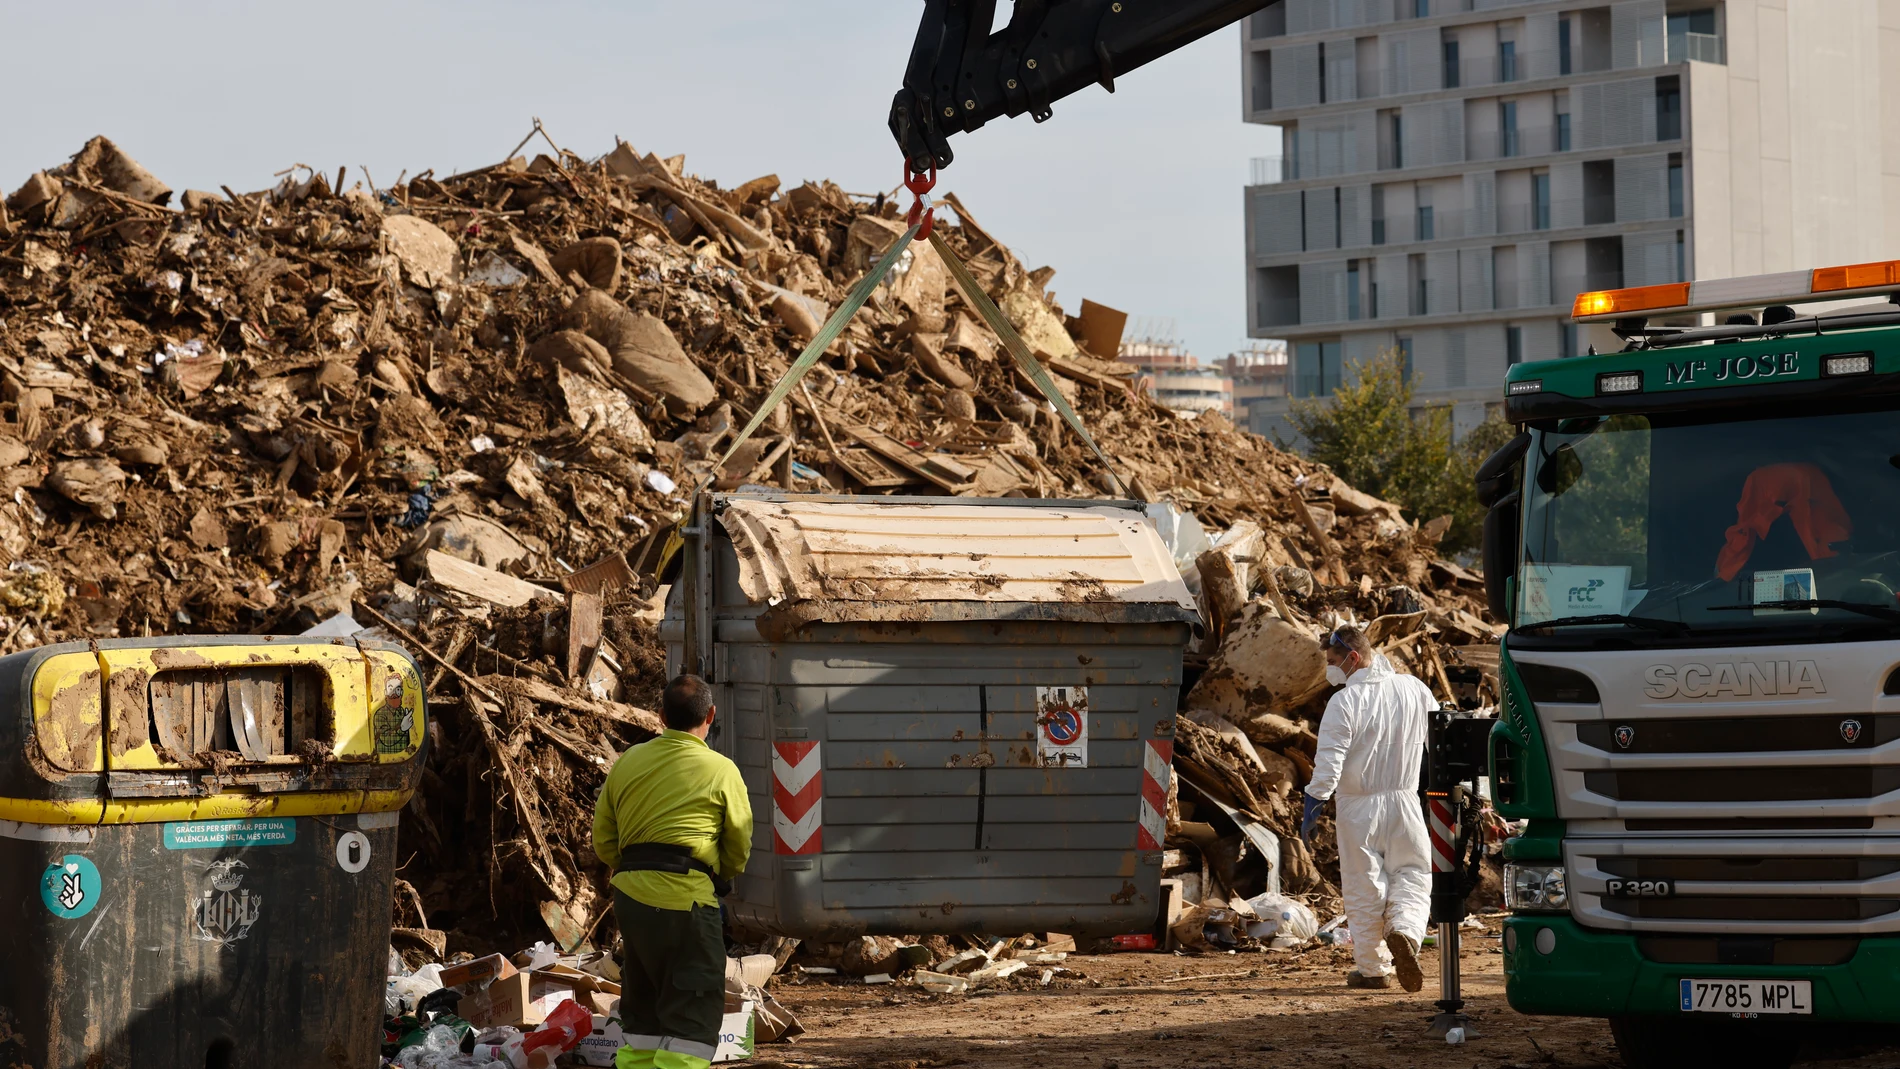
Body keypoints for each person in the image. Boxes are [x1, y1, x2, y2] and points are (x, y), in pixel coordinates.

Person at [593, 675, 754, 1069]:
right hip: (688, 902)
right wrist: (724, 876)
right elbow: (738, 843)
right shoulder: (721, 770)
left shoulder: (628, 761)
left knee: (643, 1009)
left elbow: (603, 839)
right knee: (691, 1021)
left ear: (661, 716)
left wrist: (634, 871)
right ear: (711, 715)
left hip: (630, 900)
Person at [1300, 626, 1436, 992]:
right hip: (1406, 800)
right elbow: (1440, 738)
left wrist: (1314, 802)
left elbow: (1329, 762)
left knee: (1365, 887)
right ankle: (1406, 931)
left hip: (1359, 808)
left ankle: (1374, 970)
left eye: (1332, 662)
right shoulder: (1415, 689)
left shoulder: (1345, 702)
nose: (1330, 670)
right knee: (1413, 874)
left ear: (1353, 658)